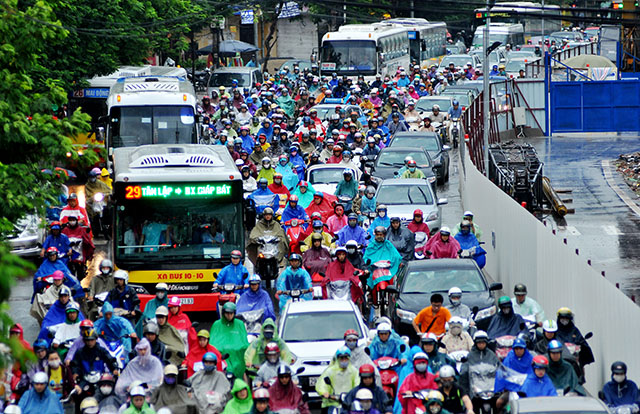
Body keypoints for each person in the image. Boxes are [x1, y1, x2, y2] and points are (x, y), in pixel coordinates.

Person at [210, 302, 249, 379]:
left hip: (237, 356)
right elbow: (212, 341)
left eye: (231, 313)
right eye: (227, 313)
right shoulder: (217, 324)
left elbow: (244, 341)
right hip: (222, 356)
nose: (229, 315)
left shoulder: (240, 324)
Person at [316, 347, 360, 413]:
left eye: (346, 358)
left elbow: (358, 383)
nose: (344, 360)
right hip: (333, 402)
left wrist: (357, 393)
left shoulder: (354, 371)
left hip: (350, 402)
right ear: (337, 359)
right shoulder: (330, 371)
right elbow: (322, 383)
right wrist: (324, 392)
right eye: (341, 358)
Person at [363, 226, 402, 294]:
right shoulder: (371, 245)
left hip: (387, 268)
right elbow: (366, 257)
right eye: (377, 235)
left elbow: (395, 255)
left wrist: (395, 261)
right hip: (374, 269)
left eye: (381, 235)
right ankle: (370, 293)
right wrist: (369, 262)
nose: (379, 236)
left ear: (384, 235)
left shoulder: (388, 244)